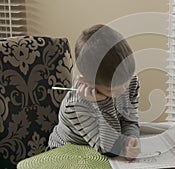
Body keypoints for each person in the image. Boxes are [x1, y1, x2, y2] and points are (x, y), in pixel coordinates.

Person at [48, 24, 141, 160]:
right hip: (66, 152)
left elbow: (129, 120)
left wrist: (131, 139)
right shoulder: (74, 105)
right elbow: (110, 149)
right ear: (87, 81)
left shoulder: (129, 79)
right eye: (113, 89)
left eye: (126, 83)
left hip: (105, 142)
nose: (123, 90)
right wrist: (103, 103)